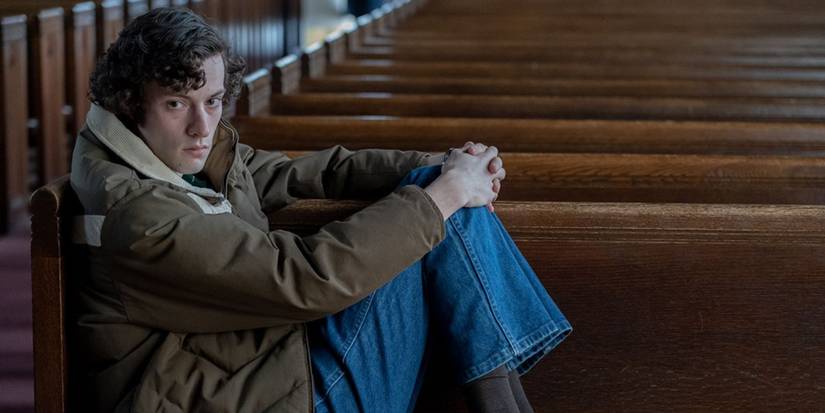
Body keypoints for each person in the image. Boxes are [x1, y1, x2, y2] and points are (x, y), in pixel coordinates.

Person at [69, 7, 571, 413]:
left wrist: (438, 164)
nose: (203, 126)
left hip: (263, 367)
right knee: (440, 209)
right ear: (132, 103)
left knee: (439, 196)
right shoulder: (137, 215)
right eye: (177, 104)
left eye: (215, 100)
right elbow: (303, 278)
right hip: (249, 397)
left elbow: (300, 174)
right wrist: (446, 192)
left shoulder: (168, 159)